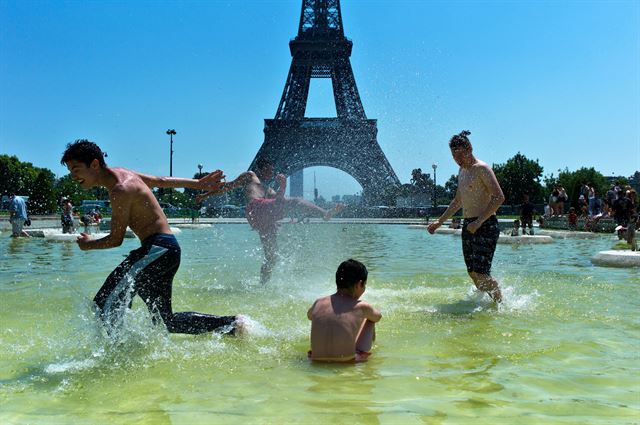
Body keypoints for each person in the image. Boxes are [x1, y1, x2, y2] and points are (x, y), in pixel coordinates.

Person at [61, 139, 244, 336]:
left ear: (94, 164)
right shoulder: (125, 174)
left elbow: (116, 239)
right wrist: (197, 184)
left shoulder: (120, 189)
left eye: (76, 169)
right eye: (71, 171)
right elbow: (161, 181)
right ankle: (234, 326)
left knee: (104, 301)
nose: (73, 176)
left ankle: (115, 354)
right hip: (167, 250)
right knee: (166, 321)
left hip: (157, 249)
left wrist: (89, 245)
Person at [196, 158, 343, 285]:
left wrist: (282, 188)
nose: (271, 172)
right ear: (260, 168)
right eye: (268, 169)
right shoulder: (250, 176)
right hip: (257, 207)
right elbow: (227, 187)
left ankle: (263, 285)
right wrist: (206, 195)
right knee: (296, 200)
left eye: (272, 170)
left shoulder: (269, 190)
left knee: (271, 257)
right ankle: (325, 213)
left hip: (264, 217)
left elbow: (279, 202)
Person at [427, 130, 505, 302]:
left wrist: (478, 221)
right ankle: (489, 302)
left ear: (469, 148)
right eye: (454, 156)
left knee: (481, 273)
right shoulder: (462, 172)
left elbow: (499, 197)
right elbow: (457, 201)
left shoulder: (482, 169)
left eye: (460, 155)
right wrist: (439, 222)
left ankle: (501, 306)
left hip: (485, 224)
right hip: (469, 225)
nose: (457, 160)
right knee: (472, 274)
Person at [307, 259, 382, 363]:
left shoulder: (318, 302)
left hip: (315, 360)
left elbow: (310, 316)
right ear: (359, 284)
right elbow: (378, 317)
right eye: (364, 286)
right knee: (370, 320)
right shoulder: (362, 306)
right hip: (348, 361)